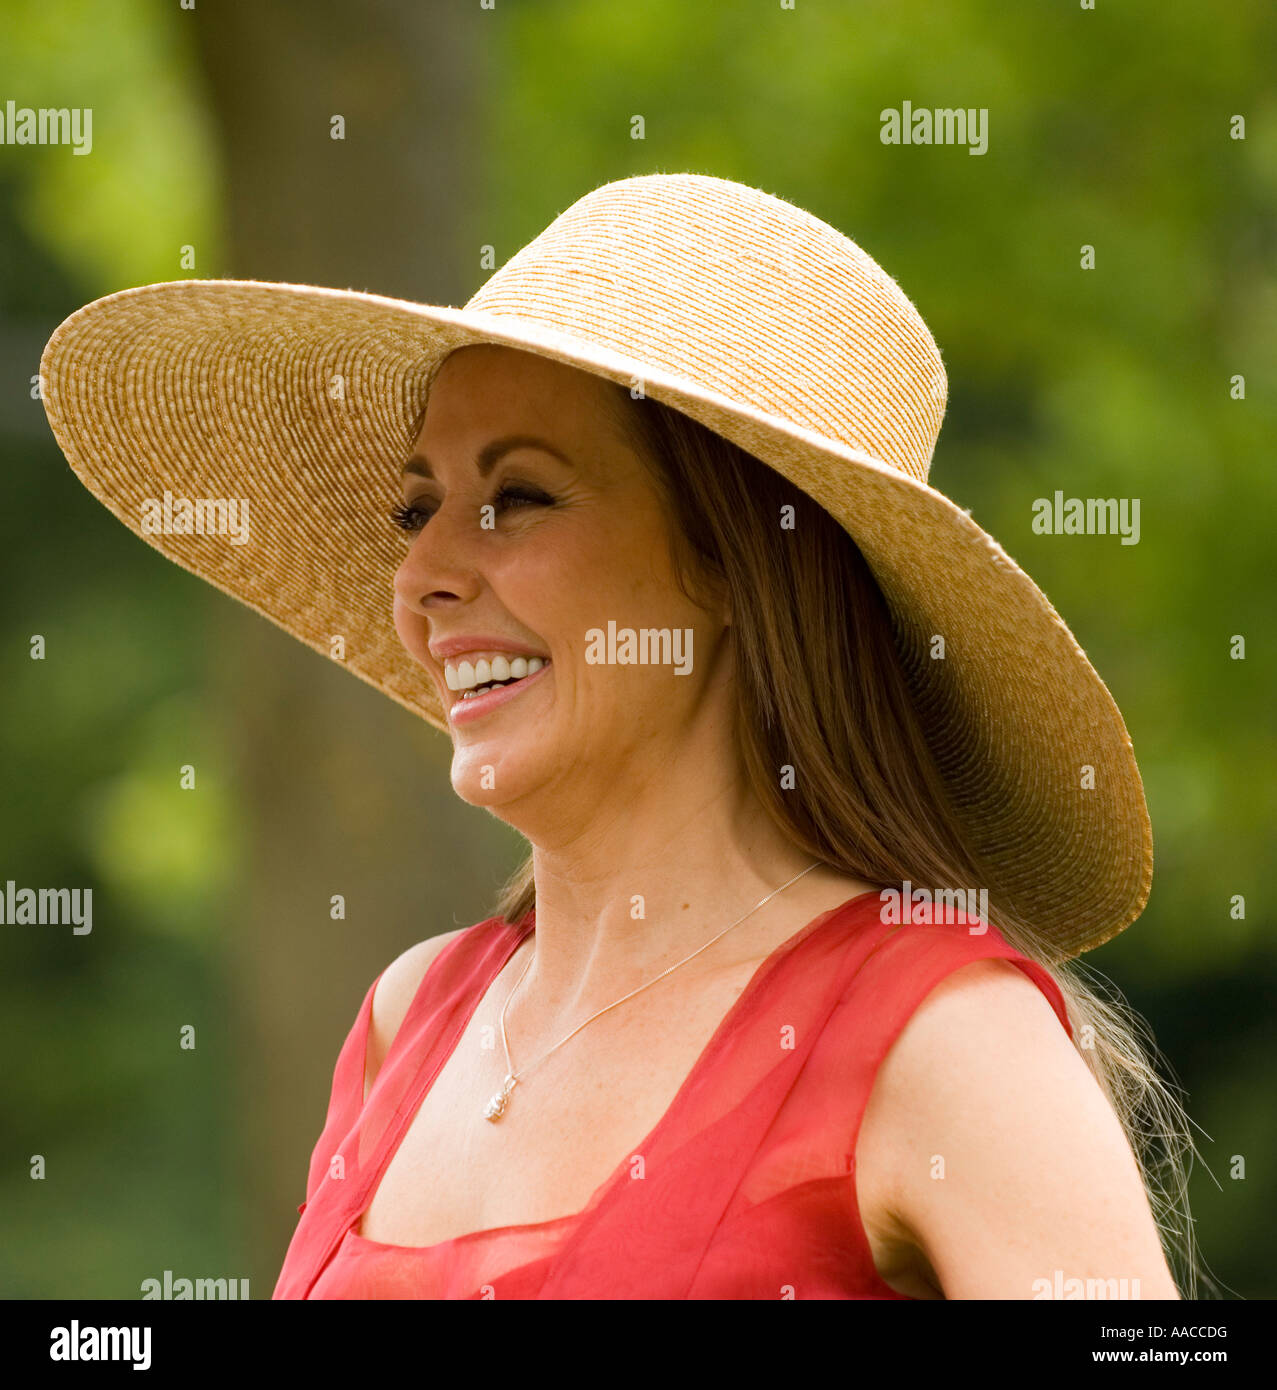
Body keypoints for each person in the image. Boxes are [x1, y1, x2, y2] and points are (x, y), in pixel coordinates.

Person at [39, 172, 1197, 1299]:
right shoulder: (411, 1020)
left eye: (519, 497)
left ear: (735, 560)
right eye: (416, 507)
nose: (423, 576)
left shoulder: (942, 1042)